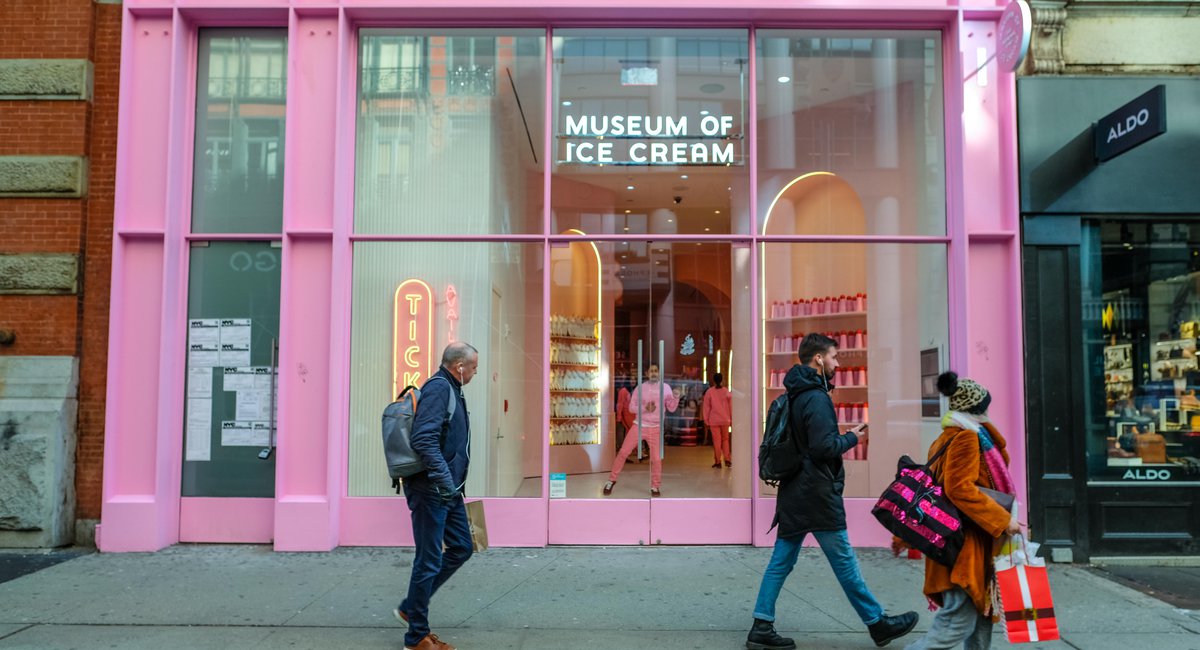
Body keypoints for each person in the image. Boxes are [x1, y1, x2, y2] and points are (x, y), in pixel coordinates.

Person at [747, 333, 918, 650]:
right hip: (816, 494)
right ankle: (877, 623)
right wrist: (853, 437)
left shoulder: (796, 394)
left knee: (781, 561)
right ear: (818, 359)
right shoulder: (816, 398)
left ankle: (761, 624)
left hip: (795, 492)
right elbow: (823, 447)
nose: (837, 363)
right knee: (844, 562)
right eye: (834, 357)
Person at [904, 372, 1020, 650]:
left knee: (980, 615)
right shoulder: (967, 439)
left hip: (965, 540)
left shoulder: (952, 435)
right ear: (978, 408)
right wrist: (1003, 520)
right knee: (957, 624)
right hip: (963, 544)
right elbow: (959, 489)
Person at [395, 342, 479, 650]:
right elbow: (424, 439)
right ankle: (416, 637)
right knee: (428, 560)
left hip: (448, 490)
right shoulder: (439, 389)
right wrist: (444, 478)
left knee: (461, 547)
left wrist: (452, 484)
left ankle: (410, 606)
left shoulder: (453, 389)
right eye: (473, 367)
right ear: (459, 366)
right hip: (432, 489)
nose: (475, 372)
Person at [603, 363, 680, 497]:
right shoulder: (640, 388)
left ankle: (655, 486)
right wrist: (645, 408)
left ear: (659, 373)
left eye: (656, 371)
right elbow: (631, 408)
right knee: (623, 452)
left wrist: (676, 397)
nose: (654, 373)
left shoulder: (666, 388)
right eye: (651, 371)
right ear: (647, 373)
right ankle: (611, 480)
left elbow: (672, 408)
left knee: (656, 459)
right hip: (639, 426)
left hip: (655, 428)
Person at [703, 372, 733, 468]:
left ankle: (718, 461)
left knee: (717, 441)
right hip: (725, 419)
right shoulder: (726, 391)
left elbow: (706, 407)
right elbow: (730, 406)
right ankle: (728, 460)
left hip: (714, 420)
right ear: (722, 380)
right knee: (725, 439)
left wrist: (706, 419)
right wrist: (731, 418)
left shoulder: (709, 392)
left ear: (713, 380)